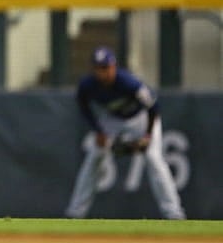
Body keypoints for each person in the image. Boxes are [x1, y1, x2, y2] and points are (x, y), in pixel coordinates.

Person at [65, 46, 186, 220]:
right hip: (112, 120)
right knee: (95, 156)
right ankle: (75, 213)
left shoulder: (128, 82)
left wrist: (147, 136)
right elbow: (83, 106)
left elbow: (153, 108)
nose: (103, 73)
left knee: (154, 159)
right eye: (99, 68)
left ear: (114, 67)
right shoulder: (87, 85)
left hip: (142, 118)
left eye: (106, 68)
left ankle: (174, 213)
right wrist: (98, 130)